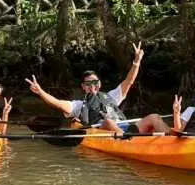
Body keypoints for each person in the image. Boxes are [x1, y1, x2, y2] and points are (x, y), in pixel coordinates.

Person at [25, 42, 169, 135]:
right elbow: (57, 102)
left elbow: (129, 81)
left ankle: (172, 139)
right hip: (108, 132)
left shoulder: (111, 96)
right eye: (88, 84)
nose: (92, 86)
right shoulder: (78, 105)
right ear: (83, 87)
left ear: (99, 84)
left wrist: (136, 63)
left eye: (95, 83)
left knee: (154, 117)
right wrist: (41, 92)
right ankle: (129, 141)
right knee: (108, 122)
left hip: (127, 128)